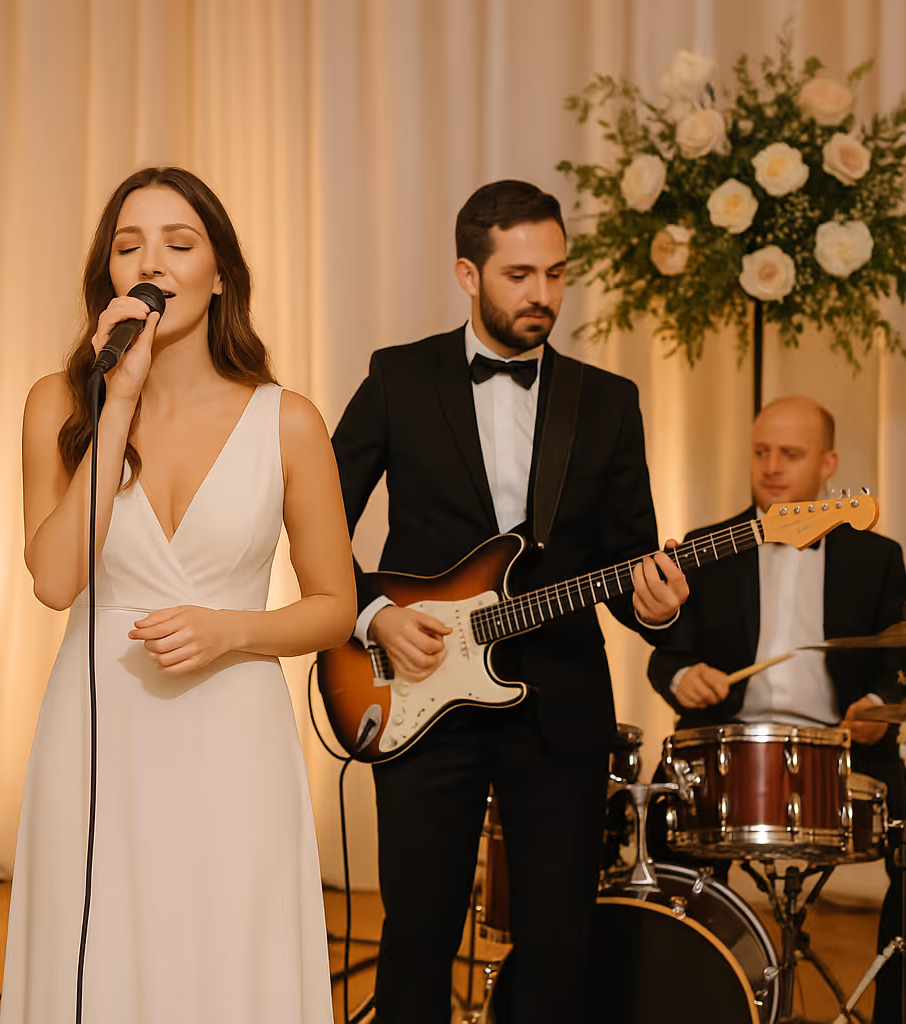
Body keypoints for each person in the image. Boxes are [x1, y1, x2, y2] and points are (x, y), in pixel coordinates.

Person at [4, 166, 356, 1023]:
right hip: (98, 727)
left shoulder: (290, 420)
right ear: (109, 277)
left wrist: (231, 631)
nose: (150, 262)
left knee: (224, 950)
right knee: (101, 949)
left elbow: (335, 606)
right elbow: (55, 581)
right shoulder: (58, 403)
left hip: (232, 729)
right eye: (129, 246)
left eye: (177, 242)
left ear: (220, 272)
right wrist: (115, 401)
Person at [330, 179, 688, 1022]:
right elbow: (313, 524)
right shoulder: (398, 377)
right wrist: (373, 615)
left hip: (561, 701)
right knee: (417, 935)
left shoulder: (608, 402)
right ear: (467, 273)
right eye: (520, 275)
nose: (544, 296)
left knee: (560, 943)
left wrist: (660, 608)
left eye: (557, 275)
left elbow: (632, 562)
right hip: (415, 690)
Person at [648, 395, 906, 1024]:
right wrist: (684, 676)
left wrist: (875, 705)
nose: (772, 467)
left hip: (844, 755)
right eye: (761, 452)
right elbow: (665, 658)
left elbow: (899, 667)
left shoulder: (876, 557)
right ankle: (705, 1001)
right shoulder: (709, 546)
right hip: (729, 744)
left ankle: (900, 1010)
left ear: (829, 463)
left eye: (790, 453)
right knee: (662, 835)